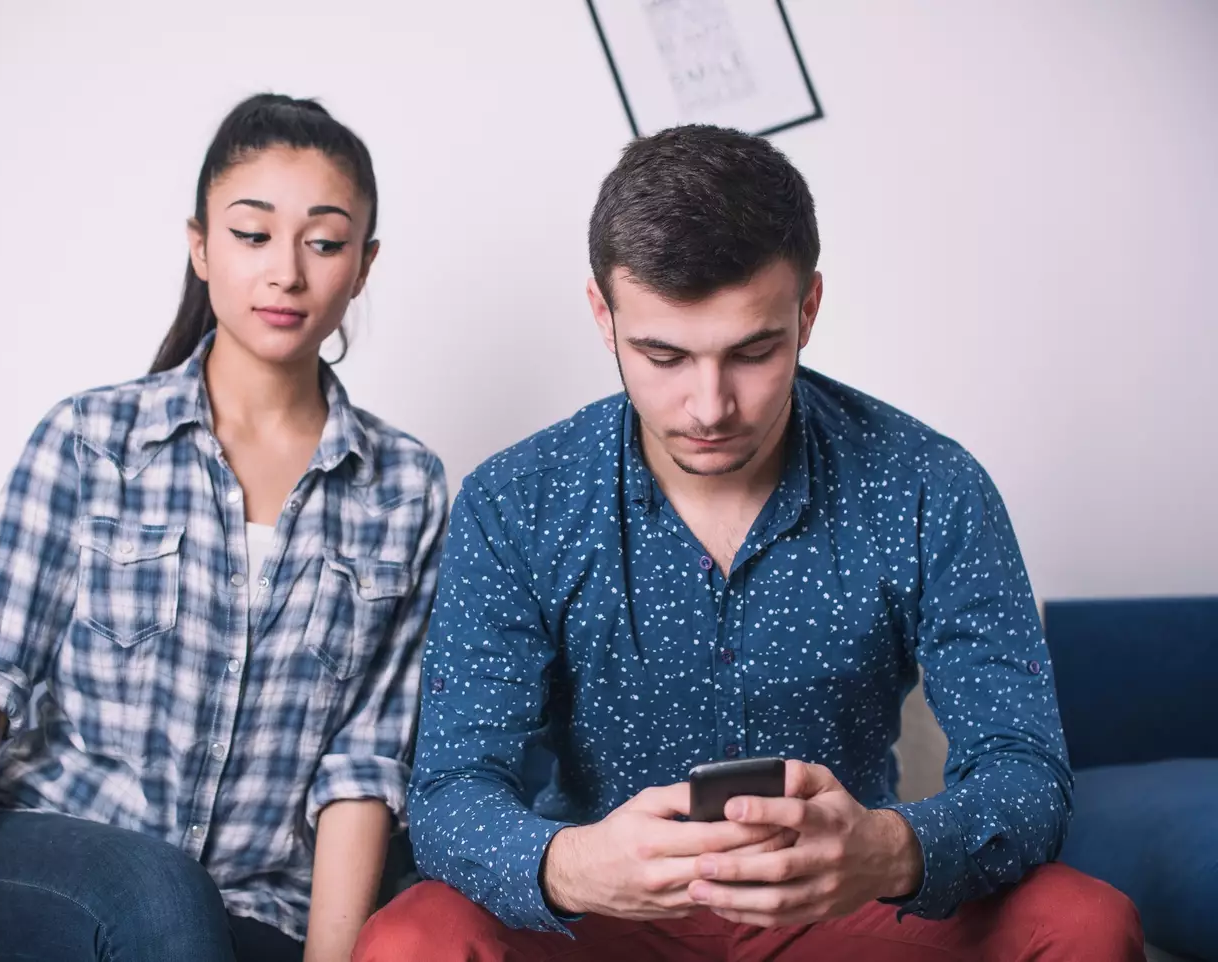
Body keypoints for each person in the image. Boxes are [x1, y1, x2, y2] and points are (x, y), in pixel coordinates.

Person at [355, 125, 1144, 960]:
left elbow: (1025, 772)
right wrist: (572, 865)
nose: (708, 406)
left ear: (807, 309)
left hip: (843, 911)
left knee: (1084, 923)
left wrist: (886, 850)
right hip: (606, 917)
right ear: (603, 314)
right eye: (662, 354)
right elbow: (449, 791)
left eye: (753, 352)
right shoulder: (516, 501)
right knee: (413, 939)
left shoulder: (930, 484)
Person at [0, 94, 447, 962]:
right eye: (252, 234)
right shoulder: (90, 439)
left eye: (325, 241)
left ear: (364, 264)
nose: (287, 272)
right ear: (200, 246)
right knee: (161, 896)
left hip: (261, 899)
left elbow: (364, 767)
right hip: (54, 854)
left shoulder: (407, 487)